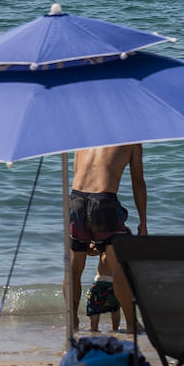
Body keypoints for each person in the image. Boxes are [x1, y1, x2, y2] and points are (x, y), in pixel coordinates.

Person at [66, 143, 147, 332]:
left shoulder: (86, 136)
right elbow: (138, 181)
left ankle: (73, 323)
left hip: (77, 200)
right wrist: (143, 221)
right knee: (119, 269)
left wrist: (90, 230)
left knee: (74, 268)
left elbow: (79, 172)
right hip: (104, 201)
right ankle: (131, 324)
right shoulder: (132, 140)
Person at [87, 248, 122, 333]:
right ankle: (115, 328)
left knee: (94, 308)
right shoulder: (121, 248)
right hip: (115, 283)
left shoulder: (104, 246)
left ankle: (93, 328)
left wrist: (92, 242)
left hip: (101, 281)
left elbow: (90, 252)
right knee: (115, 308)